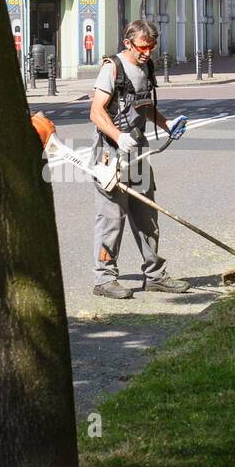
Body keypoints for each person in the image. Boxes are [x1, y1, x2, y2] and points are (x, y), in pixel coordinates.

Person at [89, 19, 190, 300]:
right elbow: (96, 112)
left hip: (139, 152)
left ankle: (155, 276)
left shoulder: (145, 66)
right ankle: (104, 279)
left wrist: (167, 124)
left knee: (147, 217)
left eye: (152, 47)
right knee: (111, 220)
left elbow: (143, 105)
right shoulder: (113, 68)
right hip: (110, 154)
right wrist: (118, 135)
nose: (148, 53)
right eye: (143, 47)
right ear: (128, 43)